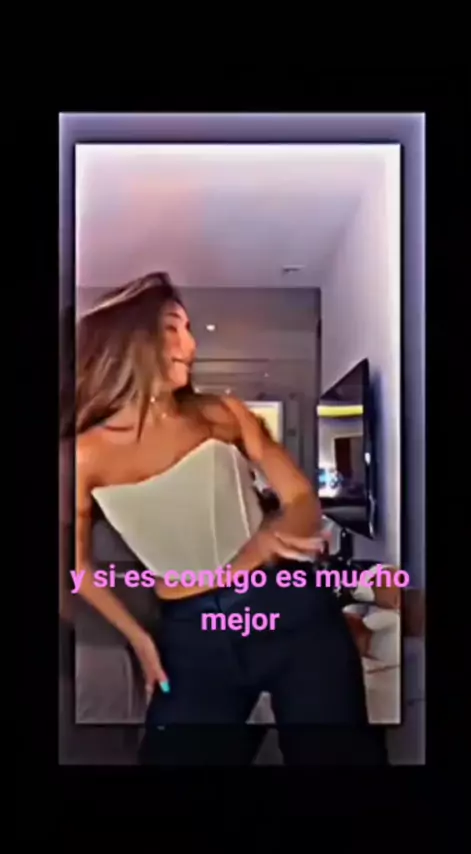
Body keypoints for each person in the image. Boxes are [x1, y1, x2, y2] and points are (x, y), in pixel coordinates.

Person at [67, 272, 386, 765]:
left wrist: (272, 537)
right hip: (191, 634)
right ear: (129, 340)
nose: (191, 345)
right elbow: (78, 569)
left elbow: (302, 496)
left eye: (189, 329)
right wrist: (140, 640)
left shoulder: (223, 412)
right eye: (172, 329)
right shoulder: (85, 454)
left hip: (290, 609)